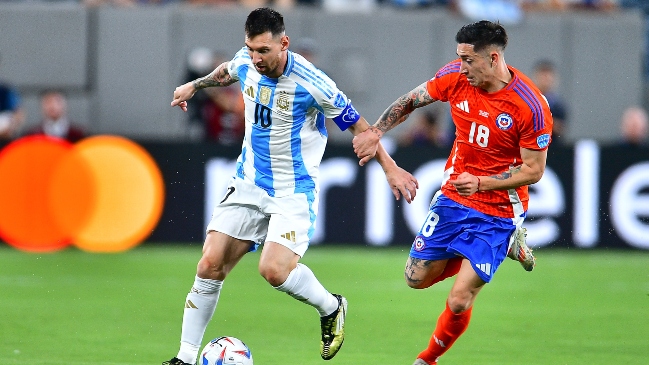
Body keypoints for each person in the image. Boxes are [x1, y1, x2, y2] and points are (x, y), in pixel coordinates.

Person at [164, 7, 418, 365]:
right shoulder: (246, 60)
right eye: (251, 49)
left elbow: (361, 126)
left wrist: (390, 169)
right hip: (249, 180)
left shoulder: (313, 83)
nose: (256, 58)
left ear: (283, 43)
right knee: (209, 265)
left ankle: (332, 307)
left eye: (264, 51)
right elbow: (226, 72)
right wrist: (196, 84)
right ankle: (185, 358)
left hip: (292, 191)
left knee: (273, 270)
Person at [352, 20, 552, 365]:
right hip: (455, 196)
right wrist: (376, 132)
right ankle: (494, 251)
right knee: (415, 279)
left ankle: (427, 359)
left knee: (460, 299)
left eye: (468, 60)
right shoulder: (456, 78)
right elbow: (411, 100)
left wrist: (482, 183)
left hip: (499, 209)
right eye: (459, 58)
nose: (462, 67)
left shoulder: (529, 106)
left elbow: (533, 171)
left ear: (492, 58)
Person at [532, 59, 568, 144]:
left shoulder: (558, 105)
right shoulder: (528, 100)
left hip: (552, 148)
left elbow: (560, 128)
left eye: (548, 76)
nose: (546, 79)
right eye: (543, 76)